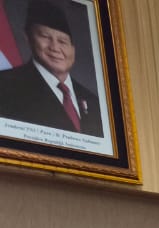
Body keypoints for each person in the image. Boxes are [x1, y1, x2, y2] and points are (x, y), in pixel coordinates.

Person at [0, 0, 101, 137]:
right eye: (45, 37)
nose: (55, 48)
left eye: (63, 41)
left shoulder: (94, 102)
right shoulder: (5, 85)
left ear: (73, 49)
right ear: (28, 38)